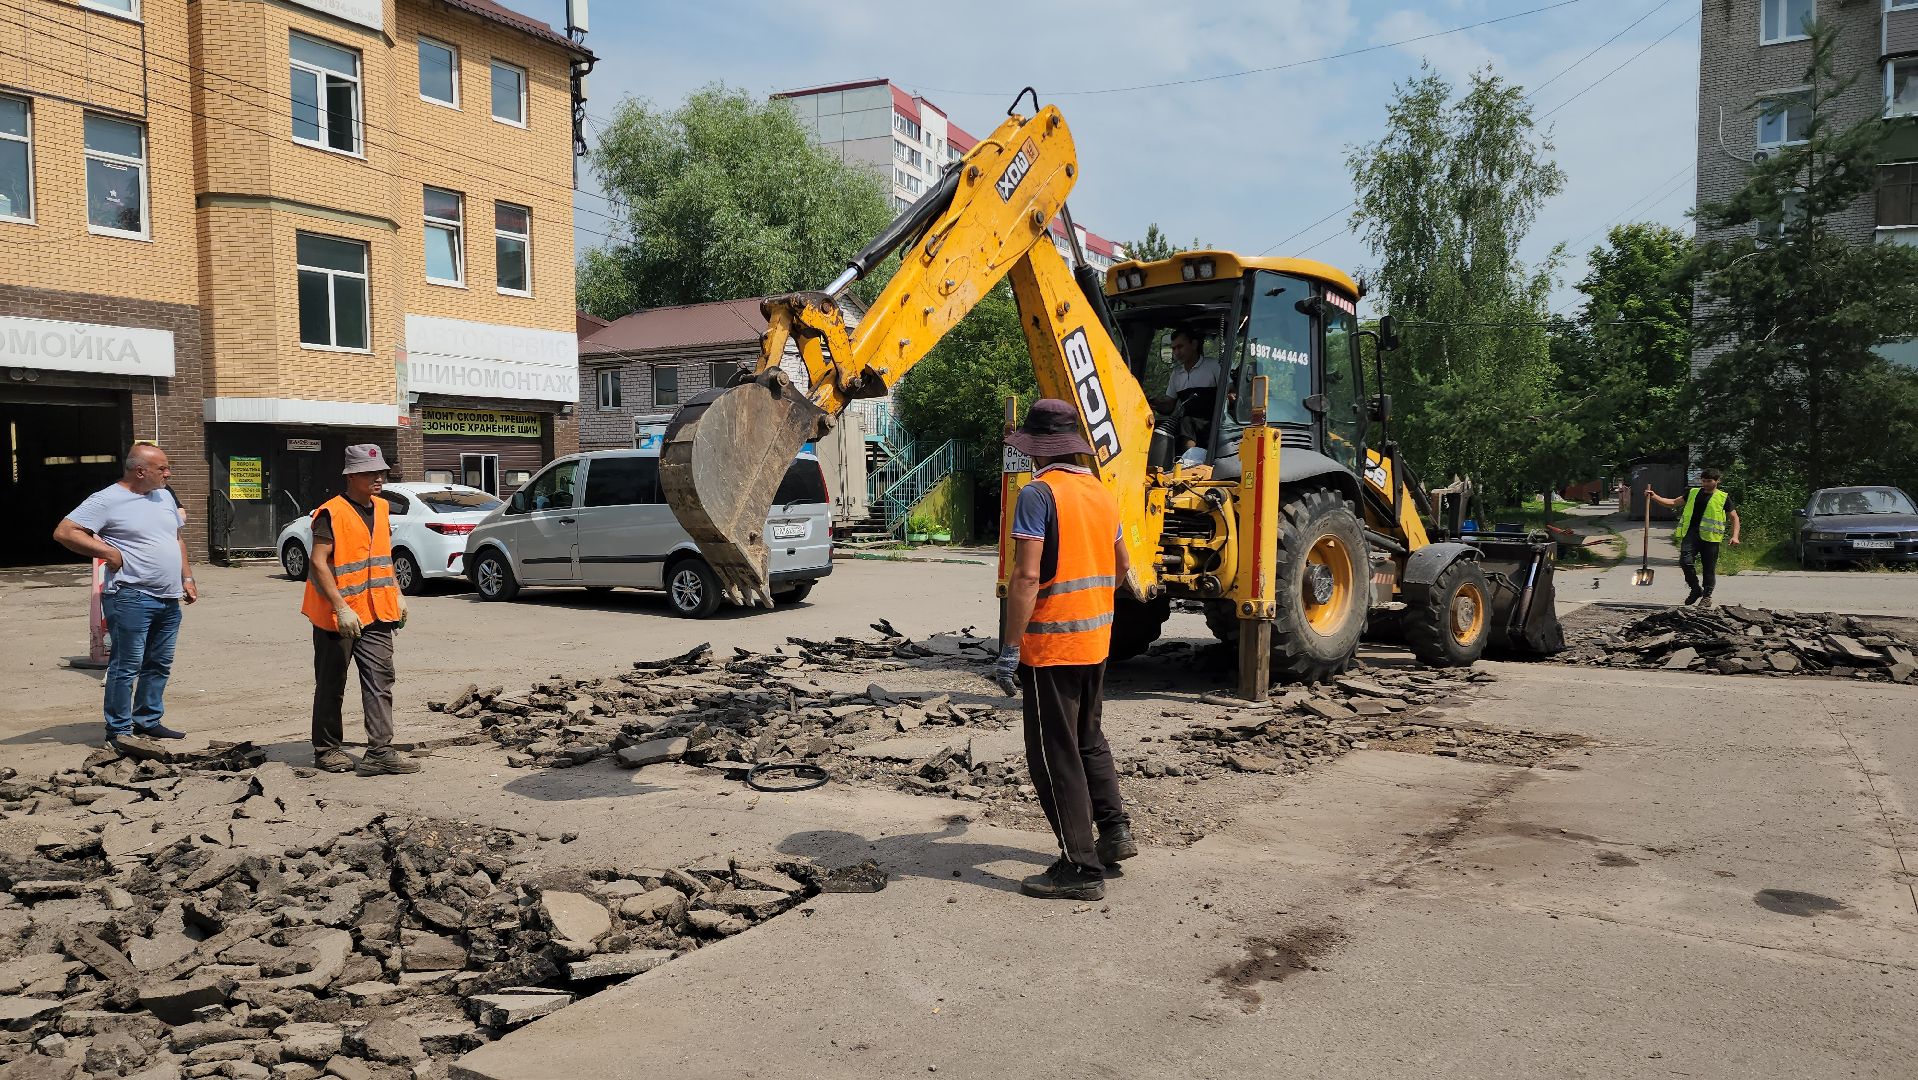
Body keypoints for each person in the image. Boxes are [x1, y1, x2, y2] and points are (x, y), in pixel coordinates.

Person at [992, 399, 1137, 902]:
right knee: (1089, 739)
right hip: (1095, 641)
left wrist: (1010, 649)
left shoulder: (1038, 494)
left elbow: (1026, 576)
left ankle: (1080, 867)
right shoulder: (1101, 493)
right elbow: (1121, 568)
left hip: (1051, 646)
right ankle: (1114, 833)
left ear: (1035, 450)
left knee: (1054, 754)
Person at [53, 444, 198, 748]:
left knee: (159, 663)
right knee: (127, 665)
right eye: (163, 468)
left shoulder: (164, 495)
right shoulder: (107, 499)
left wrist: (187, 576)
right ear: (140, 471)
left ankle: (147, 721)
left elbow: (176, 539)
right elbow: (66, 532)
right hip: (130, 595)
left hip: (168, 597)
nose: (168, 474)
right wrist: (106, 551)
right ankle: (119, 731)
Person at [302, 444, 420, 776]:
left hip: (377, 611)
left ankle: (380, 751)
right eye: (371, 473)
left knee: (381, 679)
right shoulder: (331, 513)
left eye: (382, 472)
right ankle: (326, 750)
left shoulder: (381, 508)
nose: (380, 478)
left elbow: (381, 557)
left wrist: (397, 594)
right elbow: (317, 562)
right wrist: (341, 608)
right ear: (352, 475)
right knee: (331, 682)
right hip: (337, 615)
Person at [1646, 468, 1741, 607]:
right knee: (1685, 562)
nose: (1706, 484)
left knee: (1709, 568)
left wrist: (1735, 536)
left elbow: (1734, 517)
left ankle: (1707, 597)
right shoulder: (1692, 492)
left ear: (1717, 481)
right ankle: (1695, 589)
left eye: (1709, 481)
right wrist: (1654, 496)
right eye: (1703, 481)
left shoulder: (1723, 497)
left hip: (1711, 538)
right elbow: (1672, 502)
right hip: (1691, 535)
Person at [1150, 327, 1219, 452]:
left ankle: (1189, 461)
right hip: (1188, 423)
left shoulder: (1212, 366)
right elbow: (1169, 406)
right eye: (1173, 348)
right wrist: (1155, 404)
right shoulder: (1176, 374)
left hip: (1213, 422)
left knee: (1186, 423)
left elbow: (1230, 391)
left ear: (1194, 344)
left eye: (1180, 347)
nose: (1176, 352)